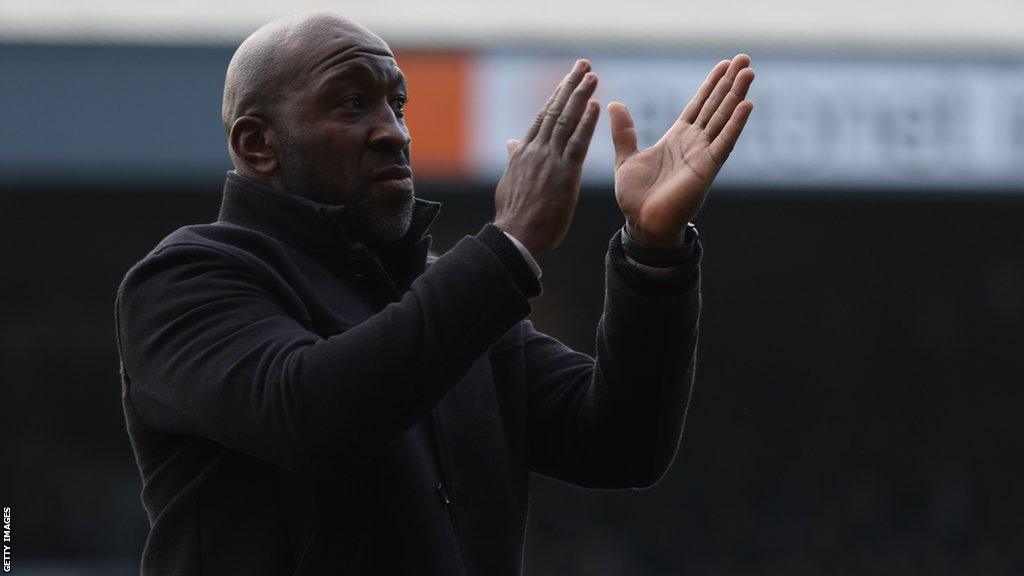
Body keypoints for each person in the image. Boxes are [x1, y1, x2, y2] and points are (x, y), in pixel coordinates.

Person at [114, 12, 755, 576]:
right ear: (259, 145)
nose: (394, 131)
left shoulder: (457, 298)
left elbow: (622, 445)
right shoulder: (187, 279)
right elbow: (312, 417)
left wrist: (652, 251)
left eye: (397, 104)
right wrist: (510, 243)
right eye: (351, 103)